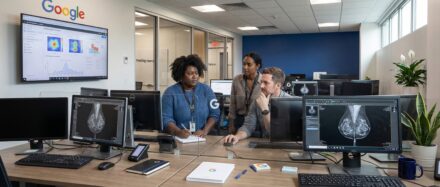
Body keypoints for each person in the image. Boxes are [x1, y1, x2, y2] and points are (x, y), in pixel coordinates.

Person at [224, 67, 291, 144]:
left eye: (266, 83)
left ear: (278, 85)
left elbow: (277, 133)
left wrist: (265, 109)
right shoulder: (257, 101)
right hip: (265, 144)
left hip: (285, 145)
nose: (261, 86)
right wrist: (237, 137)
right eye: (261, 82)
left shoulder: (290, 103)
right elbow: (248, 126)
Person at [162, 54, 220, 138]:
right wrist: (178, 132)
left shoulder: (206, 90)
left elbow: (215, 114)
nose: (194, 76)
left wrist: (204, 131)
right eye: (189, 73)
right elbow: (166, 119)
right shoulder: (170, 93)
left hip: (202, 137)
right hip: (179, 138)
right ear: (181, 75)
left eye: (196, 73)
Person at [228, 52, 262, 134]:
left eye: (249, 65)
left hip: (257, 121)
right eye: (244, 64)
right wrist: (231, 124)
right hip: (239, 120)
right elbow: (232, 104)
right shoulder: (237, 80)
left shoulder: (263, 82)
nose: (245, 67)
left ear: (257, 66)